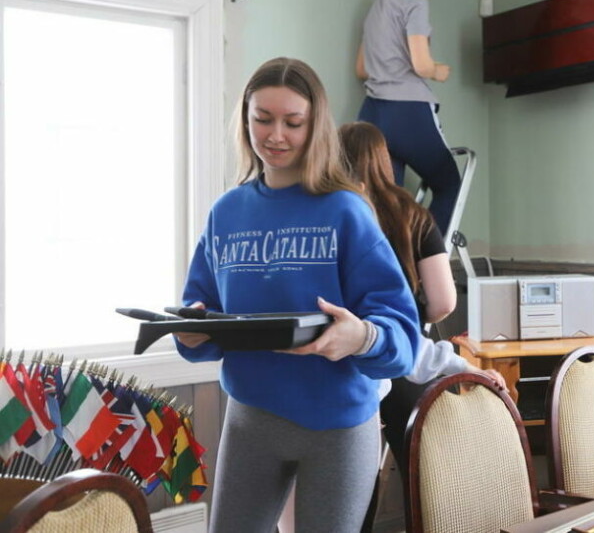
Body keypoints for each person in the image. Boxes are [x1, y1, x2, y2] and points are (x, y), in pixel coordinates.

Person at [174, 58, 419, 533]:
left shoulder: (347, 211)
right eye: (262, 118)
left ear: (316, 126)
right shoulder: (226, 212)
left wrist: (363, 336)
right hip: (251, 420)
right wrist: (192, 332)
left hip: (339, 427)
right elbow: (203, 317)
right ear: (245, 120)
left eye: (293, 122)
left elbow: (402, 338)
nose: (276, 135)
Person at [277, 122, 502, 533]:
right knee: (419, 479)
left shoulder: (328, 219)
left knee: (343, 487)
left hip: (342, 365)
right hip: (389, 361)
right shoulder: (411, 215)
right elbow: (442, 303)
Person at [356, 0, 461, 237]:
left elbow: (361, 69)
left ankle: (395, 272)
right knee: (450, 184)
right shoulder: (415, 3)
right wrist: (438, 71)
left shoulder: (377, 6)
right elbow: (421, 65)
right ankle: (428, 265)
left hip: (373, 114)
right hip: (408, 112)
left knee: (386, 202)